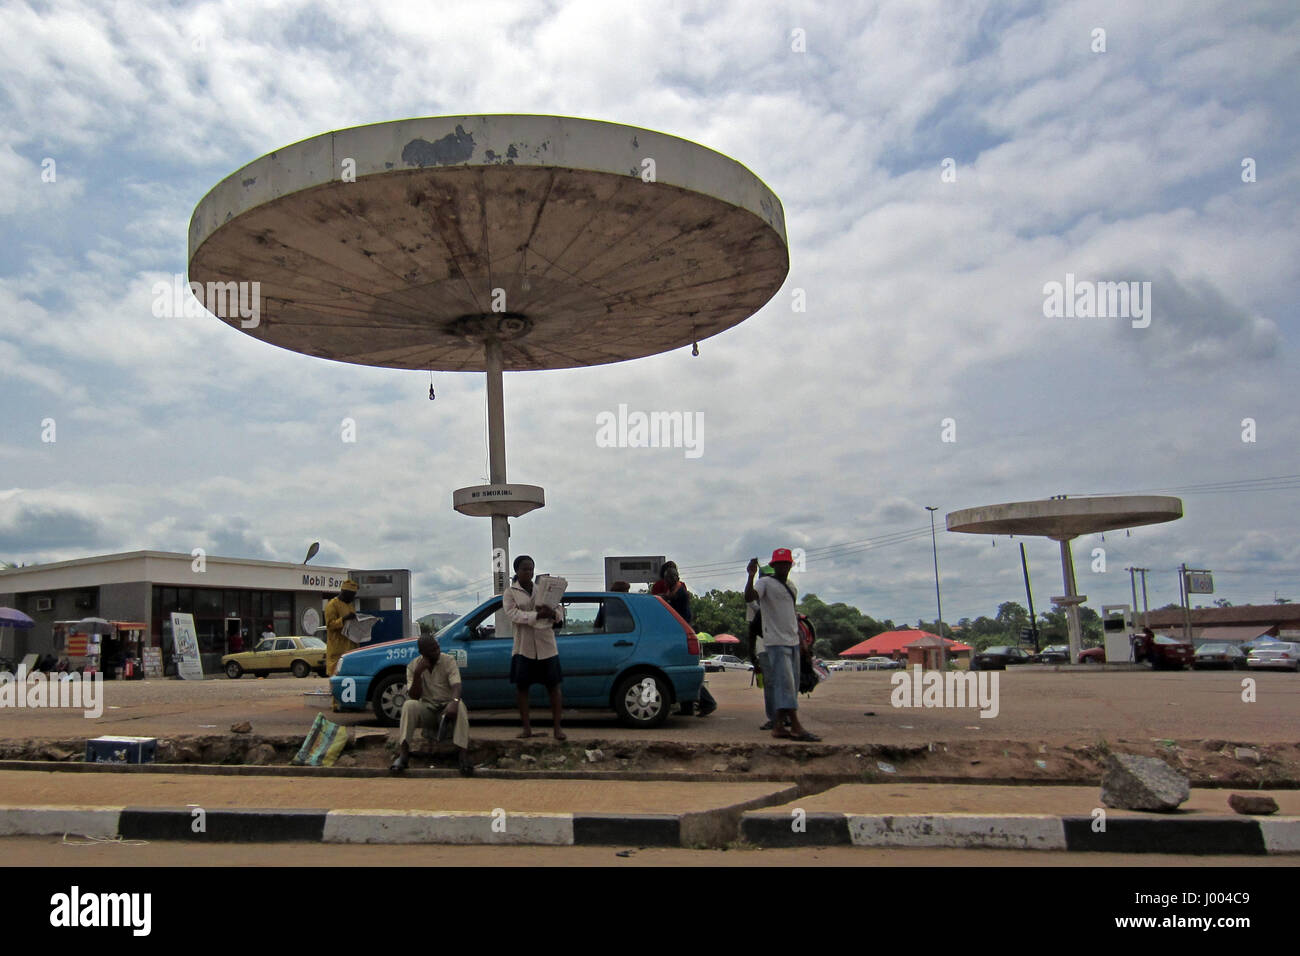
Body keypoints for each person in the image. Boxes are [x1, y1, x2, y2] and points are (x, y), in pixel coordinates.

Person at [745, 549, 820, 741]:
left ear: (790, 565)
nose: (782, 567)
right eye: (779, 564)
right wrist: (751, 575)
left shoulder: (791, 587)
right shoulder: (765, 583)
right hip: (775, 642)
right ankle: (796, 726)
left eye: (785, 563)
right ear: (773, 565)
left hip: (793, 641)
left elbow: (792, 614)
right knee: (785, 684)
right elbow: (750, 597)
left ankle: (778, 726)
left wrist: (802, 640)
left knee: (791, 684)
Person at [503, 555, 566, 739]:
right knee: (522, 688)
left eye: (531, 569)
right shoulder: (510, 592)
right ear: (516, 571)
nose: (528, 572)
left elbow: (559, 611)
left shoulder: (542, 589)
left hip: (546, 645)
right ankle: (526, 728)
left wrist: (552, 613)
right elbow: (512, 614)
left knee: (553, 687)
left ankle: (557, 728)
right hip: (524, 646)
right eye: (524, 569)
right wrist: (535, 616)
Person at [390, 634, 472, 775]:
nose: (437, 651)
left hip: (446, 708)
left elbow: (457, 685)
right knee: (409, 705)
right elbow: (414, 695)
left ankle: (463, 756)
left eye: (437, 647)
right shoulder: (413, 666)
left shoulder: (448, 661)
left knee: (461, 706)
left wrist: (454, 702)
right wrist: (417, 674)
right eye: (433, 649)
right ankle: (403, 755)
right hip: (427, 708)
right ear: (423, 653)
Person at [652, 561, 716, 717]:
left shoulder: (678, 591)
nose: (667, 581)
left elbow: (670, 598)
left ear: (675, 577)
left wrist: (661, 597)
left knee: (683, 671)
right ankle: (688, 707)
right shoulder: (675, 589)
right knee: (681, 671)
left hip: (681, 634)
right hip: (680, 633)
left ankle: (707, 702)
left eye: (670, 578)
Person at [324, 580, 360, 678]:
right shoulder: (332, 605)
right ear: (344, 592)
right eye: (352, 595)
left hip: (351, 648)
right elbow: (330, 625)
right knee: (336, 677)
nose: (353, 598)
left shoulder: (350, 606)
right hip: (337, 649)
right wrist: (344, 619)